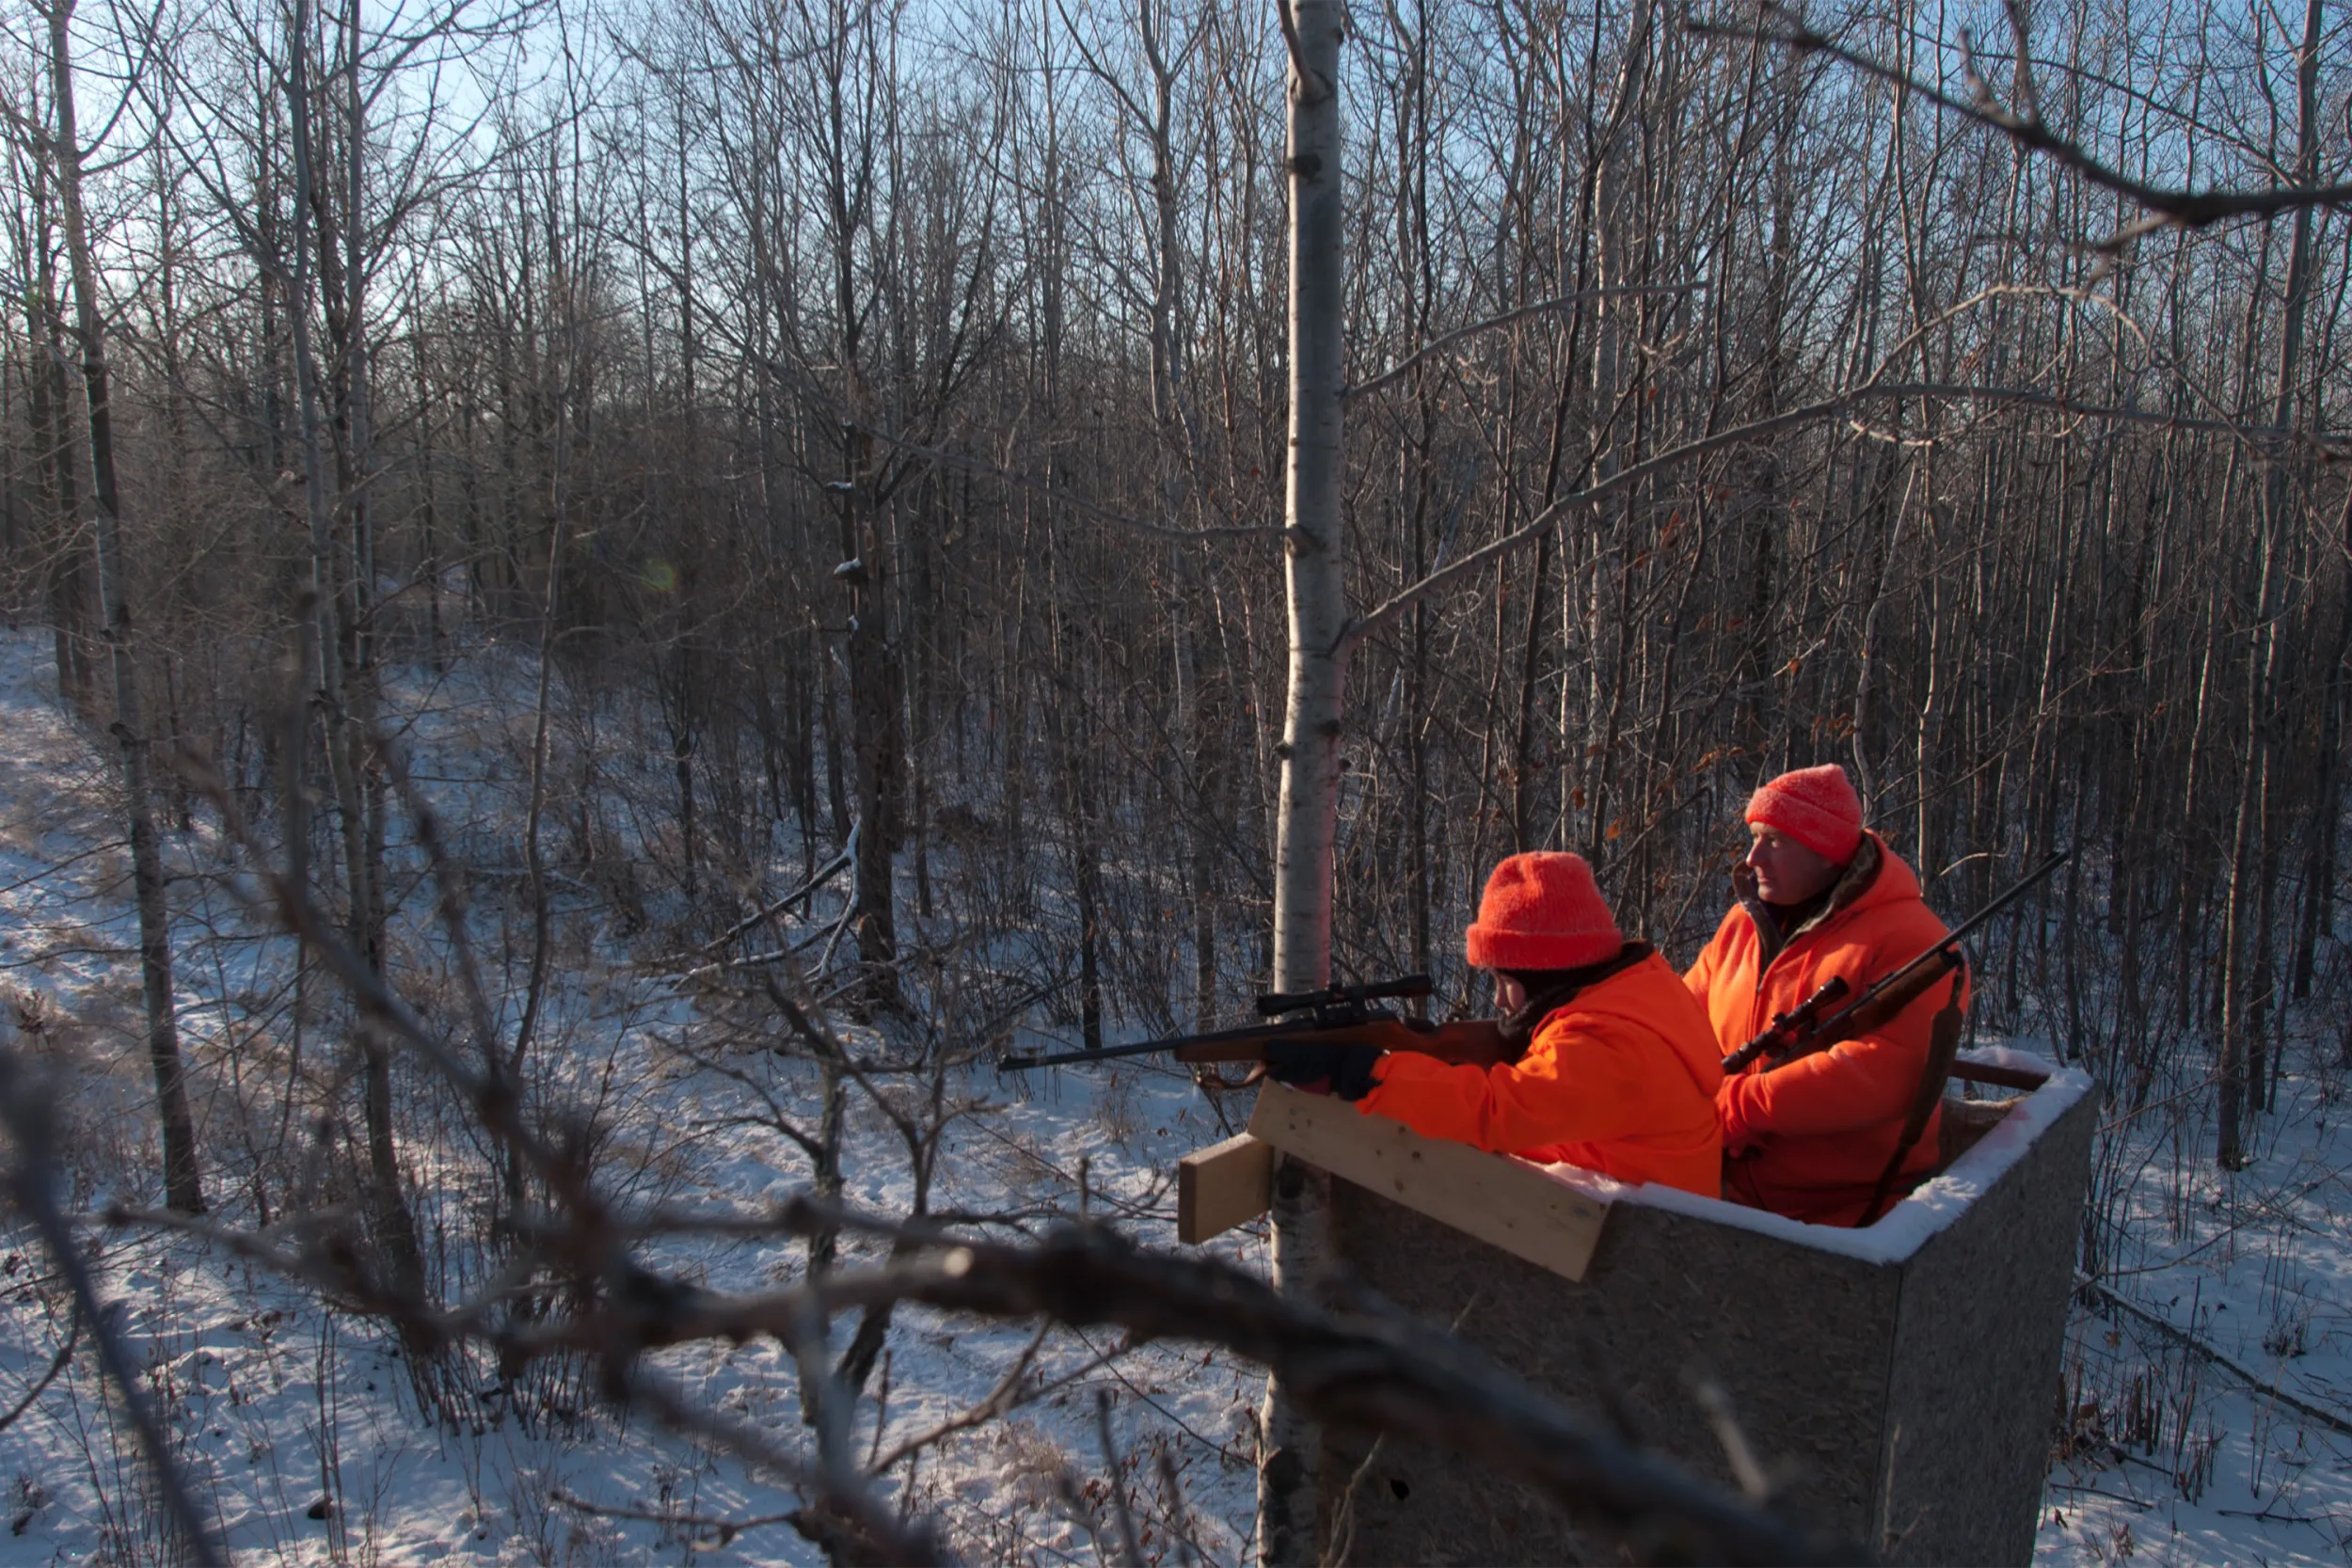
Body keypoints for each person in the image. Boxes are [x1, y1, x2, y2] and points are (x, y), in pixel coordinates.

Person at [1263, 852, 1723, 1196]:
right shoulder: (1641, 990)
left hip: (1646, 1254)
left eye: (1505, 981)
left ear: (1548, 974)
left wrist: (1369, 1075)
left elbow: (1496, 1111)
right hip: (1638, 1218)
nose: (1499, 1000)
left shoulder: (1606, 1043)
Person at [1684, 764, 1961, 1226]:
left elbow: (1887, 1073)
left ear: (1825, 851)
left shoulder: (1916, 943)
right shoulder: (1743, 925)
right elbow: (1683, 1017)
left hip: (1846, 1216)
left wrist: (1742, 1106)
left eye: (1774, 841)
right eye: (1753, 836)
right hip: (1726, 1187)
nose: (1752, 858)